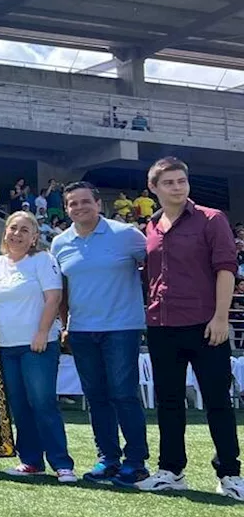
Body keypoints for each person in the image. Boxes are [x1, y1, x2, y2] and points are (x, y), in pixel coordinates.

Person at [136, 158, 241, 499]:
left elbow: (226, 269)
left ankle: (230, 474)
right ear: (154, 188)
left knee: (217, 402)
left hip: (206, 324)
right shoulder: (149, 228)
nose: (177, 187)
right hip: (162, 325)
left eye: (182, 181)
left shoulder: (212, 219)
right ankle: (171, 470)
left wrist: (221, 317)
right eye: (169, 183)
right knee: (167, 402)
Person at [50, 181, 151, 486]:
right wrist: (66, 324)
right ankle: (108, 458)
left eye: (85, 202)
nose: (79, 208)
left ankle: (135, 461)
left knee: (123, 395)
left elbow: (155, 269)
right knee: (96, 397)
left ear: (98, 203)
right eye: (72, 204)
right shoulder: (60, 243)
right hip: (82, 331)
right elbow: (63, 290)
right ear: (66, 209)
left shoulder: (128, 235)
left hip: (122, 327)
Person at [0, 211, 75, 482]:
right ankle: (30, 460)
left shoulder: (42, 260)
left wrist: (41, 332)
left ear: (35, 236)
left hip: (37, 345)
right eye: (13, 228)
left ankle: (62, 463)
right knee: (20, 405)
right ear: (5, 232)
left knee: (43, 403)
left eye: (25, 230)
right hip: (5, 346)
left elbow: (54, 298)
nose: (17, 234)